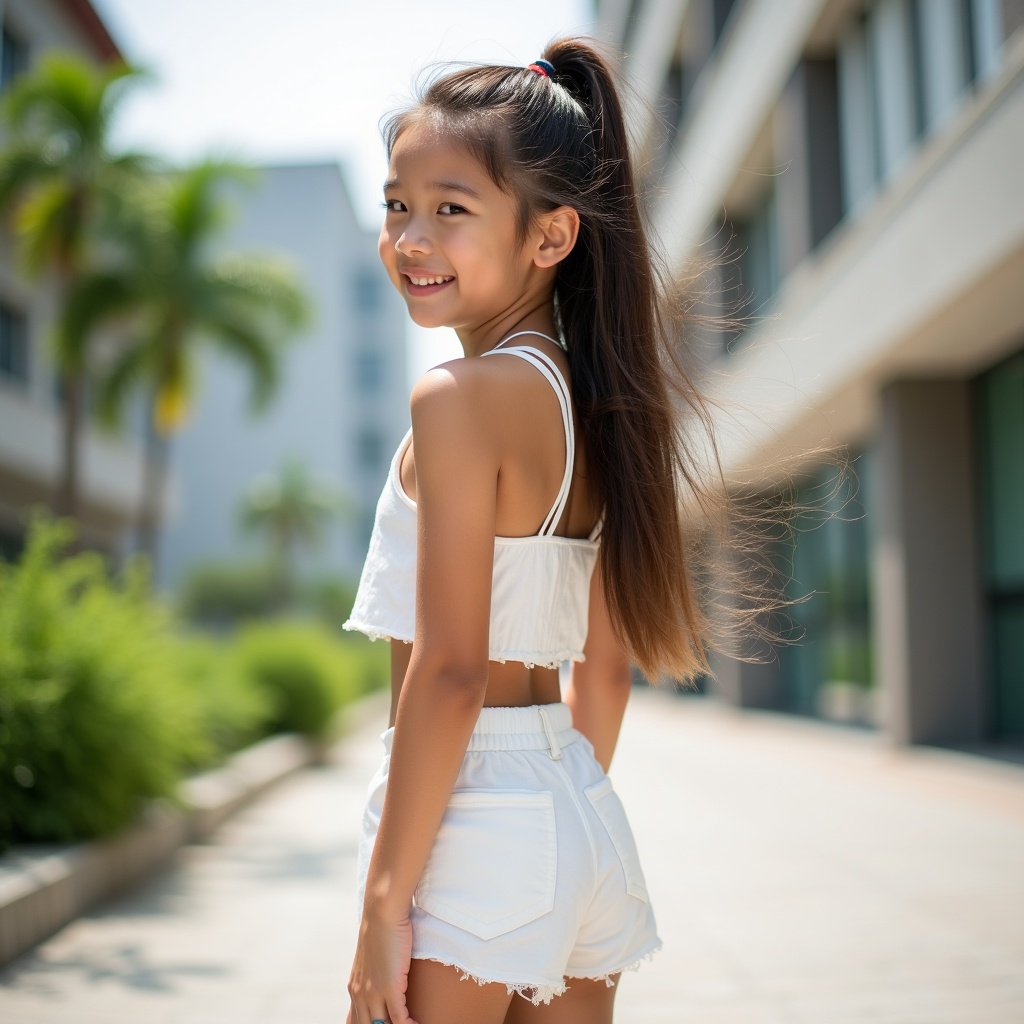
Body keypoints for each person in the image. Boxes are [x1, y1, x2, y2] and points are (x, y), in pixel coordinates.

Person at [343, 37, 721, 1024]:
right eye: (397, 205)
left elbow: (452, 668)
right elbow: (602, 670)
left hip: (467, 829)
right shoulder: (598, 408)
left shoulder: (458, 399)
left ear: (550, 238)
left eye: (451, 210)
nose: (410, 238)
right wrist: (549, 824)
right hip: (575, 810)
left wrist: (387, 900)